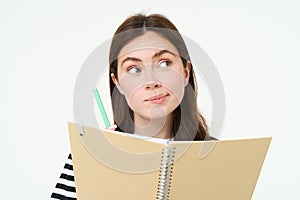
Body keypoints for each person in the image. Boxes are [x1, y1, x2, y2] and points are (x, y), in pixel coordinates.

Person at [51, 13, 214, 200]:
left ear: (185, 72)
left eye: (164, 63)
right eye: (134, 69)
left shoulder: (218, 156)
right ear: (118, 83)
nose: (151, 81)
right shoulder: (90, 156)